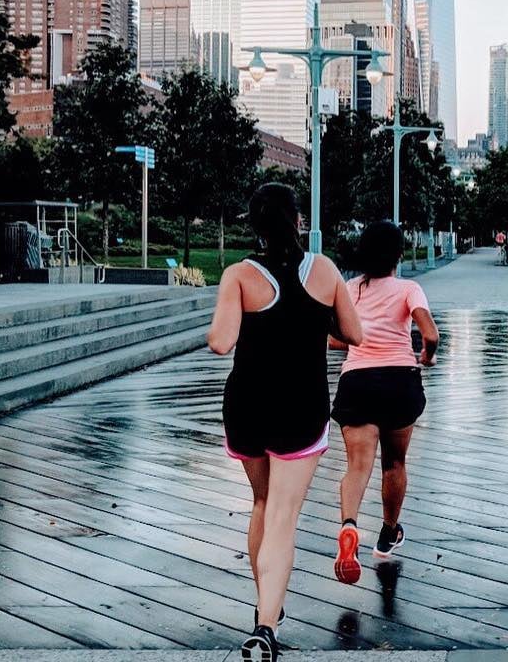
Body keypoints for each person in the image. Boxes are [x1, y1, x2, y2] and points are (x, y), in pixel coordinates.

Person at [207, 183, 362, 662]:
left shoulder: (239, 275)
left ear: (254, 225)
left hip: (249, 405)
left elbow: (220, 341)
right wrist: (318, 318)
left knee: (261, 502)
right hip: (301, 407)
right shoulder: (326, 270)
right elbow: (353, 332)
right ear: (298, 220)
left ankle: (266, 606)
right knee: (282, 515)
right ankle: (265, 623)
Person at [330, 220, 440, 585]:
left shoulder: (349, 289)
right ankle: (387, 533)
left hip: (358, 381)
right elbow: (430, 333)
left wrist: (360, 343)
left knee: (356, 466)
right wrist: (426, 354)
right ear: (398, 254)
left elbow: (336, 338)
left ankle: (349, 528)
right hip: (398, 381)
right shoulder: (410, 288)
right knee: (393, 463)